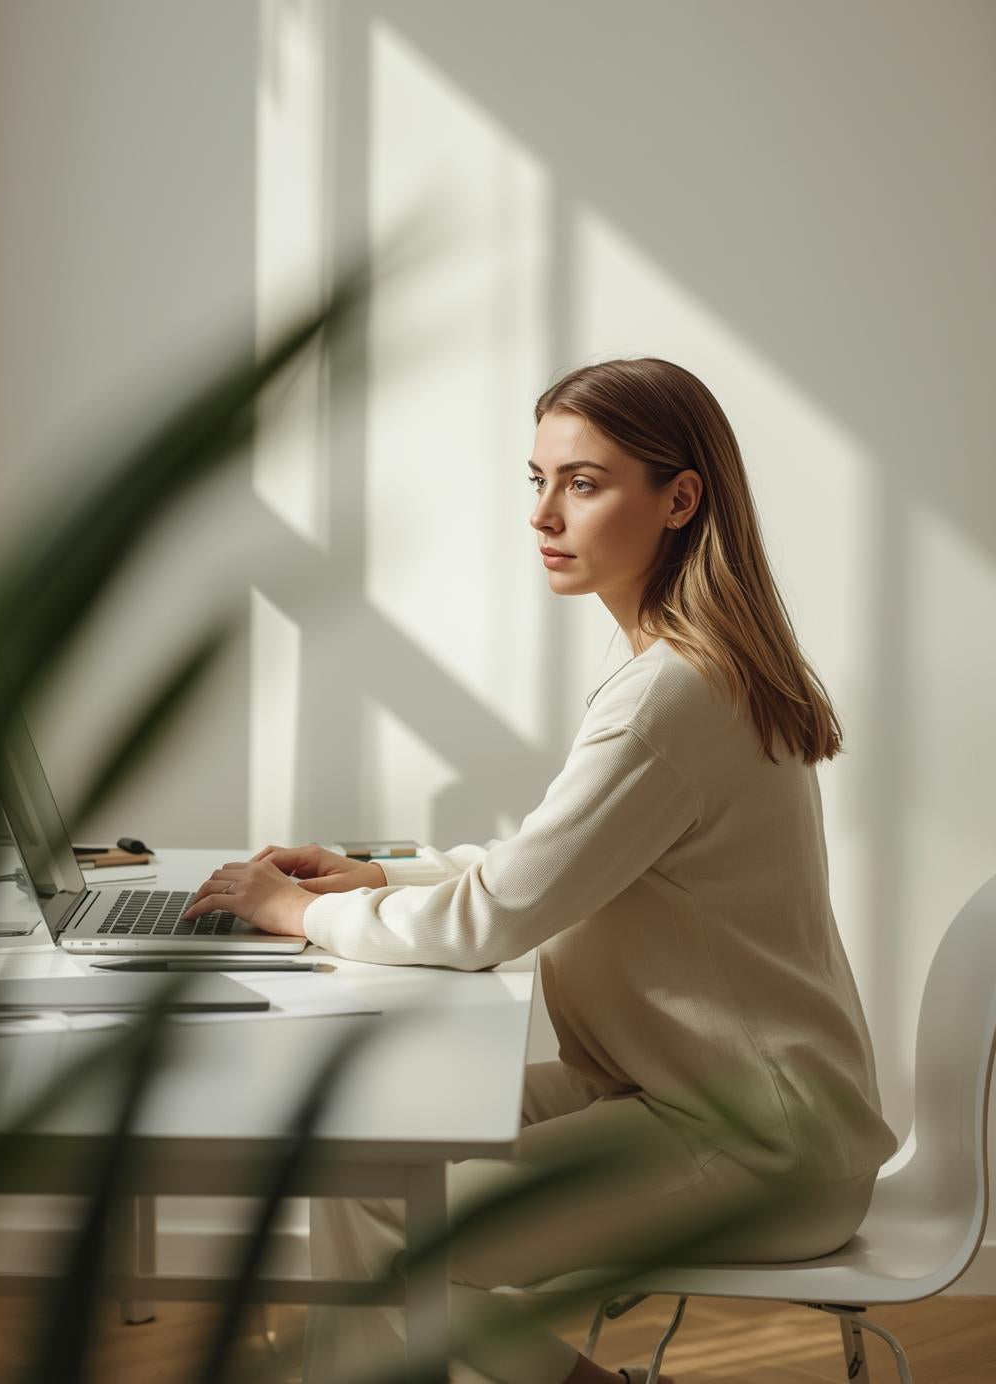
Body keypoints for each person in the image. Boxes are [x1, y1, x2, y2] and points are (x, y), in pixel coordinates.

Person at [184, 358, 898, 1384]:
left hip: (754, 1144)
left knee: (394, 1222)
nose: (543, 514)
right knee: (352, 1164)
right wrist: (376, 883)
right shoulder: (667, 665)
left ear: (678, 500)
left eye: (584, 482)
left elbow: (496, 920)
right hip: (680, 1093)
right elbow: (560, 864)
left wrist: (299, 913)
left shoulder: (671, 693)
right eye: (537, 480)